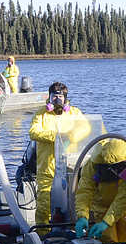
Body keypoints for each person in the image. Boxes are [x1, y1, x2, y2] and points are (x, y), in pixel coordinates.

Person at [27, 82, 91, 227]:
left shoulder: (74, 112)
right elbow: (33, 132)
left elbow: (86, 128)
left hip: (70, 167)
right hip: (46, 168)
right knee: (44, 203)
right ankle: (43, 234)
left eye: (60, 97)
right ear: (49, 98)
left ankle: (73, 231)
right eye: (54, 96)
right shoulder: (41, 114)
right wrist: (57, 136)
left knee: (73, 202)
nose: (57, 100)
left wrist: (71, 136)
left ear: (65, 98)